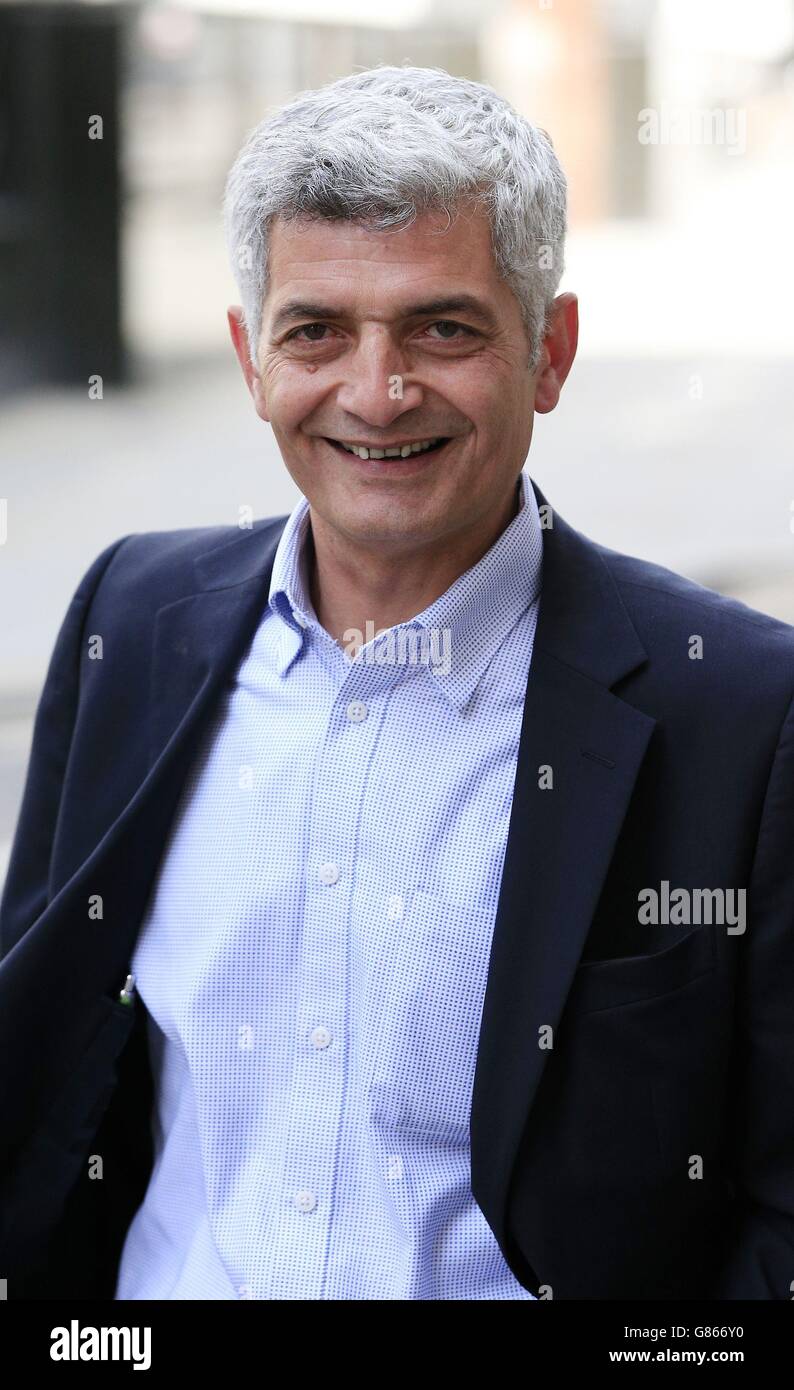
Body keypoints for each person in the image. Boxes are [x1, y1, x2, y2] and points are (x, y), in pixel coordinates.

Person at [1, 64, 792, 1301]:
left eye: (443, 327)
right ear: (249, 357)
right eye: (315, 330)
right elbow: (37, 1064)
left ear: (550, 351)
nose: (376, 394)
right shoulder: (130, 622)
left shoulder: (739, 708)